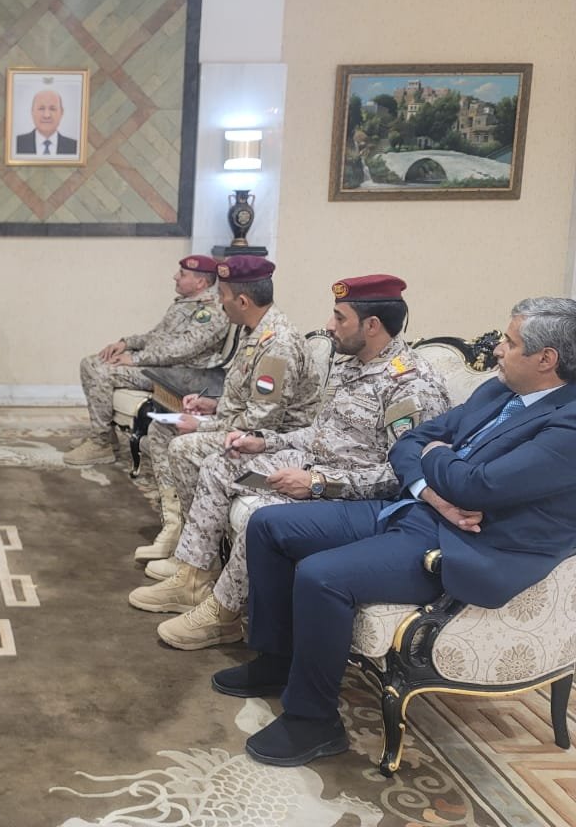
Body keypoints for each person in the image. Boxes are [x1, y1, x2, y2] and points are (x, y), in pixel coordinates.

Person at [222, 297, 576, 767]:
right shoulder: (499, 391)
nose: (497, 349)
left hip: (467, 542)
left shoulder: (567, 425)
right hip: (423, 509)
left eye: (510, 343)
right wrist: (433, 485)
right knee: (269, 525)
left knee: (322, 576)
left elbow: (477, 485)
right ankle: (277, 661)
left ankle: (314, 722)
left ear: (546, 359)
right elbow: (409, 442)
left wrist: (436, 453)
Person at [130, 274, 451, 651]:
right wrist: (264, 442)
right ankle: (193, 578)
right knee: (223, 463)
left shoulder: (411, 384)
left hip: (352, 493)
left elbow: (402, 475)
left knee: (261, 513)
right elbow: (320, 434)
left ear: (372, 325)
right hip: (312, 463)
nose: (329, 325)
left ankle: (224, 615)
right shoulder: (352, 364)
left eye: (340, 317)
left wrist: (318, 483)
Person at [133, 256, 320, 566]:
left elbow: (263, 421)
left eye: (223, 296)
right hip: (245, 429)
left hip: (273, 444)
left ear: (243, 301)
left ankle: (197, 559)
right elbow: (249, 398)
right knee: (161, 428)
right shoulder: (253, 330)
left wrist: (201, 425)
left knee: (183, 447)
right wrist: (213, 405)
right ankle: (176, 529)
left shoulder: (278, 344)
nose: (219, 303)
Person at [65, 255, 231, 467]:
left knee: (101, 370)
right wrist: (126, 343)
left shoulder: (211, 312)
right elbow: (156, 337)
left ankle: (100, 444)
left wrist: (134, 359)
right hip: (162, 367)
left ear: (200, 282)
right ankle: (105, 436)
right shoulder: (187, 304)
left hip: (180, 374)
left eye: (182, 274)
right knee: (92, 362)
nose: (175, 277)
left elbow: (180, 351)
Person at [14, 88, 77, 156]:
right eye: (41, 108)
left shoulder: (75, 147)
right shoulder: (16, 144)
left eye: (52, 109)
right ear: (32, 112)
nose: (47, 115)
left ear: (61, 113)